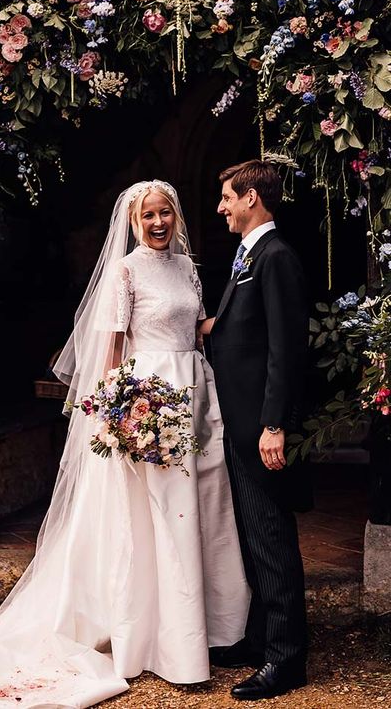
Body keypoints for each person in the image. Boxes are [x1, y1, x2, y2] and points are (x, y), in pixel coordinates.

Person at [0, 180, 250, 708]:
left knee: (198, 509)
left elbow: (199, 328)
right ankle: (152, 639)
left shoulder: (188, 268)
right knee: (153, 514)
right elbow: (112, 346)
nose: (158, 224)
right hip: (147, 399)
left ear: (177, 215)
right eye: (148, 216)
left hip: (195, 397)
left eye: (165, 214)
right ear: (134, 223)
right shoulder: (126, 270)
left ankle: (205, 629)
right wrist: (119, 413)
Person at [200, 159, 312, 702]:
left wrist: (274, 424)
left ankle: (286, 660)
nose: (220, 208)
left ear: (251, 198)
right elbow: (243, 331)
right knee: (251, 539)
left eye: (227, 197)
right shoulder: (249, 256)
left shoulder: (276, 257)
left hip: (260, 429)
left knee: (271, 540)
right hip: (240, 425)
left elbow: (285, 350)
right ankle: (260, 637)